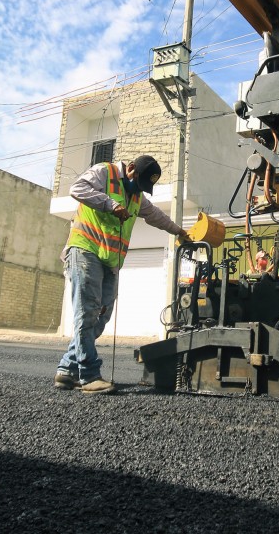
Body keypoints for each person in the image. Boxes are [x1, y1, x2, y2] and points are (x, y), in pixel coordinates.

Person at [54, 155, 190, 395]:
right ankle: (89, 376)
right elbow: (77, 188)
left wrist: (179, 231)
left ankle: (67, 369)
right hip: (85, 249)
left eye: (144, 189)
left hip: (109, 261)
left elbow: (155, 215)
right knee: (86, 313)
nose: (139, 191)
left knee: (100, 317)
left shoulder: (137, 197)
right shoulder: (103, 173)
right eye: (138, 184)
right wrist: (110, 204)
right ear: (130, 170)